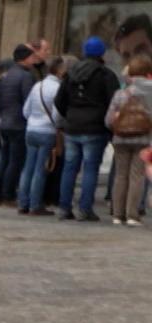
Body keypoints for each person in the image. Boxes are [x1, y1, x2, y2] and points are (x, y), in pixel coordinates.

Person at [57, 36, 122, 222]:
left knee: (69, 168)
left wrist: (70, 114)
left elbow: (59, 100)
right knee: (90, 169)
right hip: (95, 128)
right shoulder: (105, 74)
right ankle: (85, 209)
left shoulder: (70, 74)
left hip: (72, 127)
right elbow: (114, 102)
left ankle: (64, 207)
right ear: (102, 53)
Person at [106, 55, 152, 225]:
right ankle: (132, 214)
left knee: (120, 175)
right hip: (143, 139)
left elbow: (108, 120)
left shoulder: (120, 93)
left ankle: (117, 215)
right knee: (137, 176)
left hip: (121, 138)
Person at [0, 45, 38, 206]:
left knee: (4, 158)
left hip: (5, 121)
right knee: (15, 161)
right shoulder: (26, 76)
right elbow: (28, 101)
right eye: (32, 57)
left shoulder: (6, 75)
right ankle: (8, 194)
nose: (34, 60)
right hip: (18, 123)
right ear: (25, 58)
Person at [19, 56, 64, 215]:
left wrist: (33, 120)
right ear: (59, 71)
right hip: (47, 132)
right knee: (41, 170)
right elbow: (58, 115)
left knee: (28, 168)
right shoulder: (57, 88)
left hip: (31, 130)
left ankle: (23, 203)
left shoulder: (37, 86)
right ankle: (35, 205)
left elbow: (25, 111)